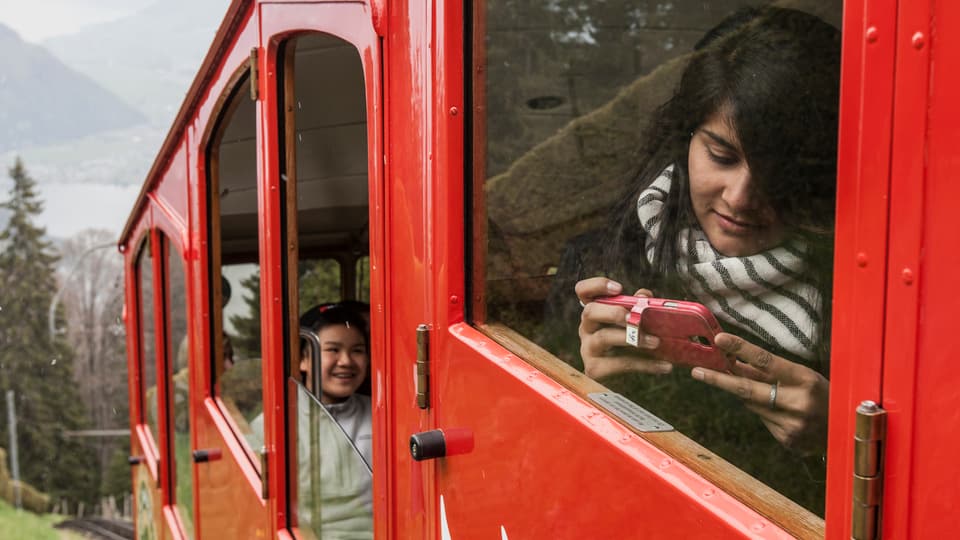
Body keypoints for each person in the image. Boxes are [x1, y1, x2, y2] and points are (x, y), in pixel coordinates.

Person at [571, 7, 840, 513]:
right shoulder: (600, 263)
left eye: (777, 169)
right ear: (686, 140)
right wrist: (579, 378)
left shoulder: (876, 294)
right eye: (721, 156)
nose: (741, 197)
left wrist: (843, 438)